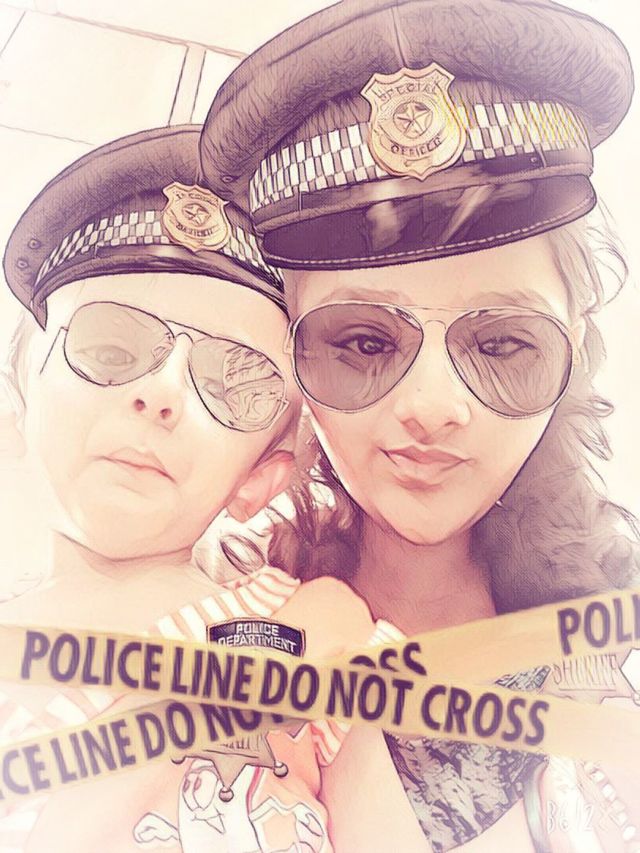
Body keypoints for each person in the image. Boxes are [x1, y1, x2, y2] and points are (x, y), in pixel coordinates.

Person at [199, 0, 640, 849]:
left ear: (574, 346)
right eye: (364, 342)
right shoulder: (219, 620)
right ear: (290, 361)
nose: (433, 406)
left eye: (502, 342)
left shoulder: (617, 637)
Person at [0, 124, 391, 852]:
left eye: (231, 383)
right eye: (109, 349)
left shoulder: (315, 626)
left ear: (258, 479)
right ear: (14, 408)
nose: (161, 392)